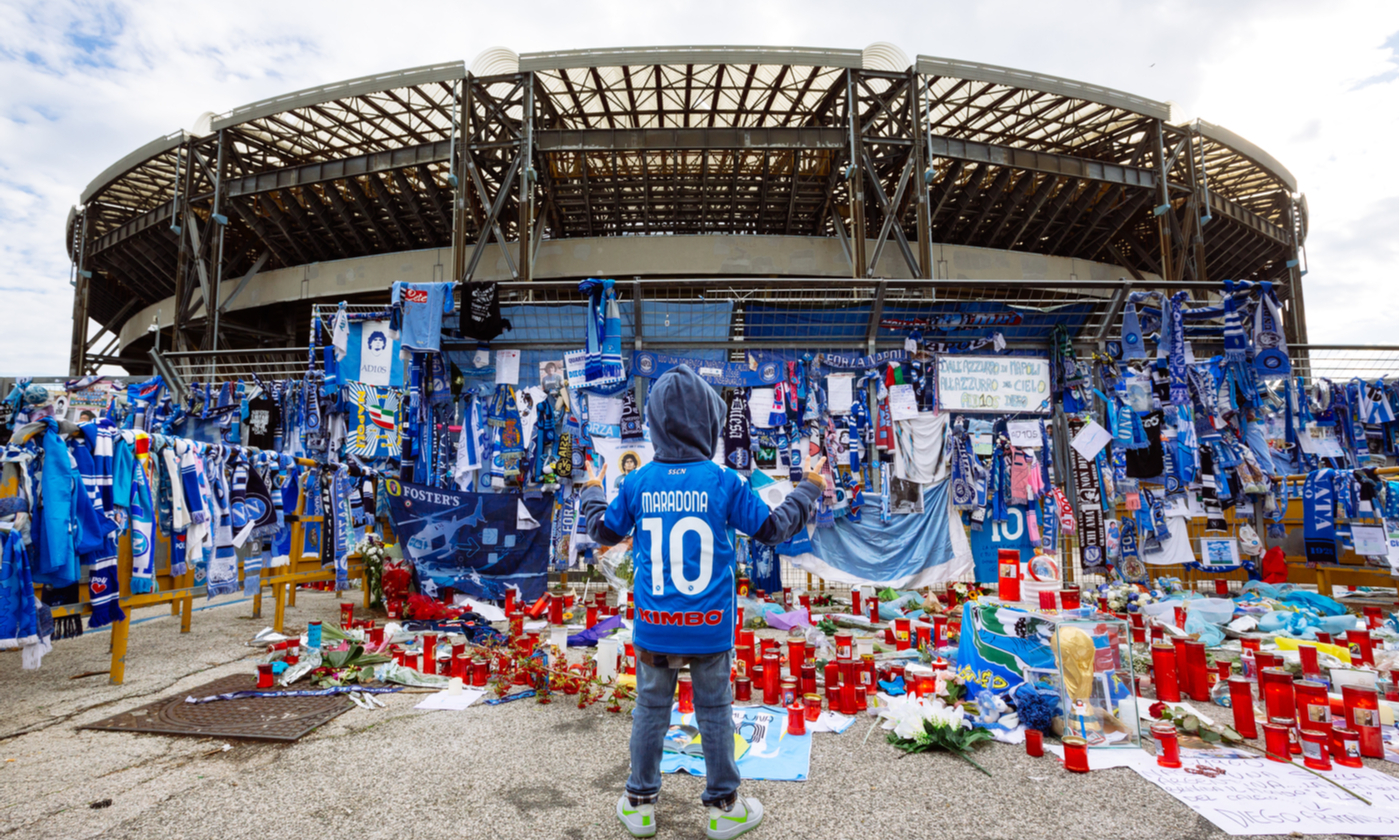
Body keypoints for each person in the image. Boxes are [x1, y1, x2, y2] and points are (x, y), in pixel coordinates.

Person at [580, 364, 825, 840]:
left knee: (650, 710)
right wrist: (809, 487)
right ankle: (724, 808)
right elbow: (773, 529)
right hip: (709, 627)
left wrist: (593, 488)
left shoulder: (637, 483)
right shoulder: (723, 481)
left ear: (652, 423)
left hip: (654, 624)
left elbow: (602, 532)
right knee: (715, 711)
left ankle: (639, 803)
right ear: (711, 422)